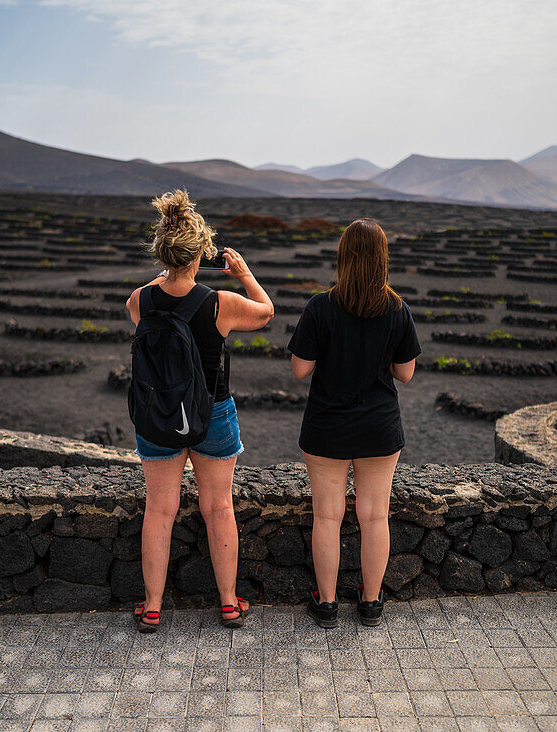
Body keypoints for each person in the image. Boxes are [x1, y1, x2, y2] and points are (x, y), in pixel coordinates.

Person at [125, 189, 274, 632]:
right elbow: (266, 313)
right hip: (213, 413)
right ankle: (228, 603)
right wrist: (244, 274)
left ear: (162, 251)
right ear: (200, 252)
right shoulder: (219, 303)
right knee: (218, 507)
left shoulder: (140, 300)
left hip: (158, 416)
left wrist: (165, 276)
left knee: (160, 509)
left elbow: (148, 317)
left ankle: (152, 606)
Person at [287, 218, 421, 628]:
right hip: (379, 428)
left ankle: (326, 603)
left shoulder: (320, 306)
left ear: (343, 256)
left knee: (328, 516)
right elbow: (406, 373)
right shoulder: (398, 309)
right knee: (374, 516)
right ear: (384, 259)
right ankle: (372, 602)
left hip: (327, 426)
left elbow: (299, 369)